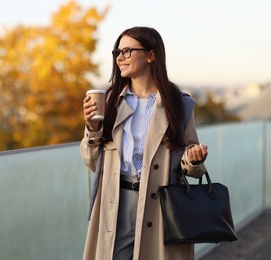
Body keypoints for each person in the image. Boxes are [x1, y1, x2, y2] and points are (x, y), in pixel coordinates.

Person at [80, 26, 208, 260]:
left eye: (127, 51)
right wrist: (92, 128)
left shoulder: (179, 104)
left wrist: (193, 158)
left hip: (160, 202)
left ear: (151, 55)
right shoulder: (110, 102)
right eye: (117, 52)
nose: (120, 57)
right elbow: (92, 162)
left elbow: (192, 164)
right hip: (115, 200)